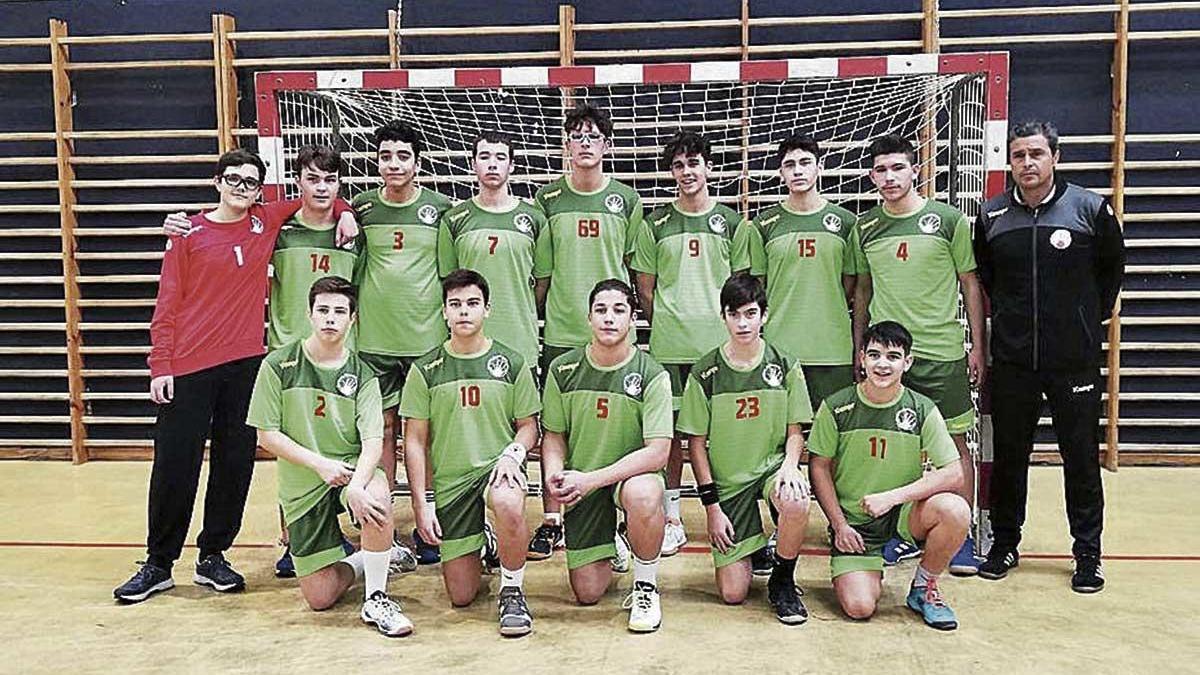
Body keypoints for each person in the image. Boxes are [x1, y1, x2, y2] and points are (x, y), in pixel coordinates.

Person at [113, 149, 356, 604]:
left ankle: (213, 556)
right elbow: (166, 305)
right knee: (175, 465)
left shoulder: (265, 220)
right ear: (217, 182)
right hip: (187, 367)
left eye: (251, 182)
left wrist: (344, 212)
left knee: (234, 464)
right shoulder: (188, 233)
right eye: (234, 180)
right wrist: (160, 365)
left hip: (246, 365)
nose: (243, 188)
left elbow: (319, 197)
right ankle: (158, 563)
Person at [973, 120, 1125, 592]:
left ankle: (1087, 554)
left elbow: (1110, 277)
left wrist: (1078, 325)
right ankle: (1004, 544)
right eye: (1018, 156)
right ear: (1010, 162)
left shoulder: (1091, 209)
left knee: (1079, 458)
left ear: (1054, 157)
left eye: (1036, 154)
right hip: (1015, 362)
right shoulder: (992, 216)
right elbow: (990, 282)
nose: (1027, 164)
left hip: (1072, 362)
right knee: (1010, 457)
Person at [850, 134, 986, 575]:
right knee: (895, 445)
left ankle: (959, 535)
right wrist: (860, 348)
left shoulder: (948, 221)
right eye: (880, 170)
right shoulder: (865, 227)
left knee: (954, 446)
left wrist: (976, 348)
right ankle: (899, 533)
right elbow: (863, 293)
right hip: (889, 358)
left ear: (915, 171)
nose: (889, 178)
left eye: (897, 169)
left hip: (942, 352)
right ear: (871, 176)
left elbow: (970, 285)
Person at [246, 276, 411, 636]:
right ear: (310, 314)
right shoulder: (278, 366)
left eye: (339, 311)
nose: (330, 319)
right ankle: (367, 561)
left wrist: (357, 484)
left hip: (351, 468)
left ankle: (377, 598)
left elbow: (372, 440)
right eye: (323, 310)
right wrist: (319, 464)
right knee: (320, 597)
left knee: (377, 497)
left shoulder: (363, 374)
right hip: (305, 481)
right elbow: (266, 435)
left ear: (352, 319)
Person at [528, 102, 644, 563]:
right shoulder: (546, 201)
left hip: (615, 336)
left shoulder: (627, 201)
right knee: (557, 429)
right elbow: (540, 274)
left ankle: (613, 517)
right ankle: (553, 517)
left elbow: (637, 269)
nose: (584, 144)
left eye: (593, 136)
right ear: (565, 146)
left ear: (607, 146)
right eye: (575, 136)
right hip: (563, 329)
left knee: (615, 428)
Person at [399, 269, 541, 636]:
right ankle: (487, 540)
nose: (464, 311)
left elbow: (529, 426)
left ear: (487, 310)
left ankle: (512, 589)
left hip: (498, 470)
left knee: (509, 502)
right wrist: (421, 503)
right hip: (451, 482)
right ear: (444, 312)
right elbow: (414, 440)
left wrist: (512, 454)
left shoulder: (510, 363)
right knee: (461, 596)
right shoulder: (425, 370)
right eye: (456, 304)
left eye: (472, 304)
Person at [631, 130, 753, 557]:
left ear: (709, 168)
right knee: (669, 440)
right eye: (679, 165)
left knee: (719, 435)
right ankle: (672, 518)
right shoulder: (655, 224)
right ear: (671, 172)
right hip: (669, 346)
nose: (687, 172)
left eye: (694, 163)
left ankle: (732, 512)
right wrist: (665, 322)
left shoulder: (733, 224)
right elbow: (644, 289)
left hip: (719, 349)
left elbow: (742, 290)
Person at [809, 321, 971, 630]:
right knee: (859, 607)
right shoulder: (837, 407)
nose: (883, 364)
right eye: (875, 355)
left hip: (904, 514)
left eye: (893, 356)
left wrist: (892, 497)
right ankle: (863, 568)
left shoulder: (922, 409)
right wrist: (839, 525)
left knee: (955, 510)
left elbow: (954, 473)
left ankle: (924, 588)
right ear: (861, 359)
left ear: (907, 362)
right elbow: (818, 467)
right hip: (857, 524)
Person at [677, 275, 814, 624]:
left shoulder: (784, 365)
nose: (742, 323)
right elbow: (695, 443)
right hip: (729, 483)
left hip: (770, 470)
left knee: (796, 499)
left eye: (750, 314)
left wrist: (789, 467)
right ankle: (752, 547)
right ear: (723, 317)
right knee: (733, 594)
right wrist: (711, 507)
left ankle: (782, 579)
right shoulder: (706, 372)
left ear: (764, 316)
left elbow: (795, 431)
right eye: (734, 314)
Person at [541, 278, 672, 632]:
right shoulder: (563, 371)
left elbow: (659, 453)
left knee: (643, 493)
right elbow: (553, 435)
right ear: (588, 318)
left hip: (623, 481)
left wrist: (592, 480)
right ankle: (610, 540)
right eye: (601, 310)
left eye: (618, 310)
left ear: (633, 318)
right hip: (582, 483)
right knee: (587, 593)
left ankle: (645, 584)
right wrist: (555, 475)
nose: (609, 318)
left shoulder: (652, 374)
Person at [353, 119, 453, 568]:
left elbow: (450, 276)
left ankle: (426, 522)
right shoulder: (359, 209)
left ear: (418, 162)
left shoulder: (441, 209)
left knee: (424, 436)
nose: (394, 164)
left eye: (403, 156)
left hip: (424, 342)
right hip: (374, 342)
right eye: (386, 155)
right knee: (382, 433)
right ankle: (384, 527)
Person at [736, 134, 857, 409]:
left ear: (820, 167)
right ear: (781, 173)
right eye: (790, 165)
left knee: (831, 440)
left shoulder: (847, 223)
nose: (798, 170)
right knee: (780, 435)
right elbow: (759, 289)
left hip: (832, 349)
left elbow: (850, 286)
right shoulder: (763, 224)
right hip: (781, 349)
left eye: (805, 162)